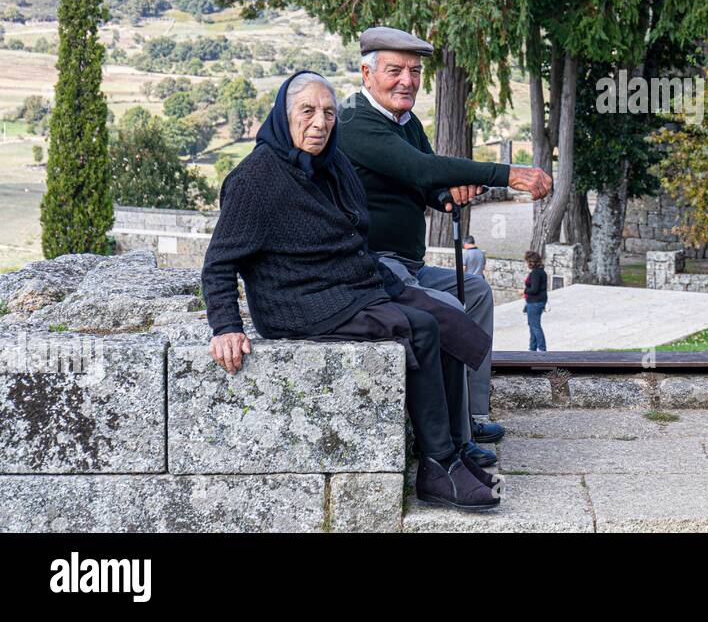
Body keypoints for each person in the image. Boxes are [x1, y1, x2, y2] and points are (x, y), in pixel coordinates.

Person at [202, 71, 499, 511]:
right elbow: (219, 263)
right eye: (307, 112)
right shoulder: (254, 180)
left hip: (353, 282)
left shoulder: (333, 164)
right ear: (284, 117)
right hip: (301, 302)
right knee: (417, 328)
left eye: (327, 113)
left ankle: (457, 450)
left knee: (447, 317)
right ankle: (437, 468)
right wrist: (225, 326)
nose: (319, 123)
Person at [336, 27, 553, 466]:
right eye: (395, 70)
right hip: (374, 268)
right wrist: (507, 174)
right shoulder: (356, 122)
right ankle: (453, 440)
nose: (407, 81)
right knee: (446, 307)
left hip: (406, 264)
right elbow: (422, 167)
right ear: (366, 72)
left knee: (475, 292)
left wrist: (444, 196)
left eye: (414, 72)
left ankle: (471, 416)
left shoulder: (407, 123)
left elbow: (423, 184)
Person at [522, 250, 548, 352]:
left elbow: (534, 289)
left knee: (535, 326)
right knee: (532, 325)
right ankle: (532, 349)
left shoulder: (535, 273)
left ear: (530, 262)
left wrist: (523, 291)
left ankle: (542, 349)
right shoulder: (541, 272)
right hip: (537, 302)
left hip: (535, 302)